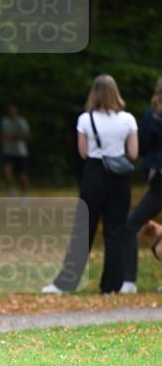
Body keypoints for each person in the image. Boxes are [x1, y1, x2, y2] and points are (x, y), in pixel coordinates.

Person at [42, 74, 138, 295]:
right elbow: (132, 153)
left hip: (95, 174)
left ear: (93, 93)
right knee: (115, 231)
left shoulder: (86, 119)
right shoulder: (128, 120)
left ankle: (66, 283)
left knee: (84, 228)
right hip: (120, 178)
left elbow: (83, 153)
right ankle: (111, 286)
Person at [115, 76, 162, 293]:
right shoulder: (151, 117)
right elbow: (142, 147)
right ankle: (128, 280)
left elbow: (142, 148)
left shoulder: (152, 117)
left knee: (131, 225)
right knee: (131, 224)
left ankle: (129, 281)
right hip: (158, 185)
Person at [1, 103, 31, 196]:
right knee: (6, 172)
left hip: (20, 152)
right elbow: (4, 135)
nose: (10, 112)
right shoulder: (4, 121)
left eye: (12, 110)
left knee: (22, 176)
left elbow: (27, 136)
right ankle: (11, 191)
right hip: (8, 151)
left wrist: (13, 137)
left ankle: (25, 193)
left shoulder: (21, 122)